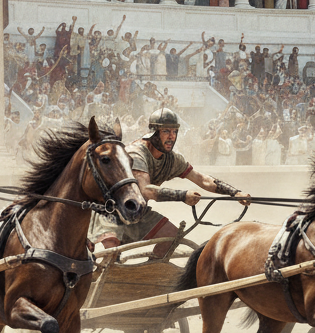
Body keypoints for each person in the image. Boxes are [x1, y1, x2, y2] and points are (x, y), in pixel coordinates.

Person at [89, 107, 249, 259]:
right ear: (154, 133)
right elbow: (146, 191)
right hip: (110, 212)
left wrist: (235, 193)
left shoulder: (172, 159)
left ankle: (151, 274)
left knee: (171, 235)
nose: (172, 136)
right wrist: (182, 195)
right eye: (166, 131)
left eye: (174, 131)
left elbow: (202, 179)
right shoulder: (136, 153)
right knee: (112, 251)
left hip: (138, 213)